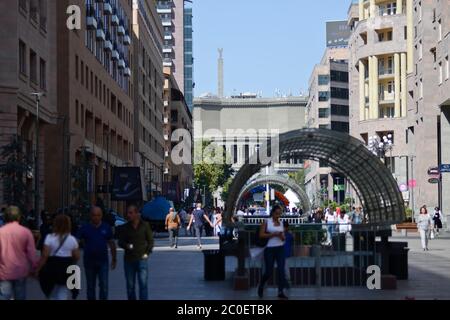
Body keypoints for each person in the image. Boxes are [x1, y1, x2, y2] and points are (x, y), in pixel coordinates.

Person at [37, 214, 80, 300]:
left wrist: (38, 269)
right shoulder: (72, 239)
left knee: (51, 292)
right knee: (62, 291)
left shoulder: (49, 238)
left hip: (52, 268)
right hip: (66, 268)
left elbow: (45, 255)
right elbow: (77, 256)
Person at [77, 206, 117, 300]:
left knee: (104, 286)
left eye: (98, 215)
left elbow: (111, 243)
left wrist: (114, 258)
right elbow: (76, 242)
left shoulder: (106, 227)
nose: (96, 217)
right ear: (90, 216)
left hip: (103, 261)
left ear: (101, 216)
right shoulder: (85, 228)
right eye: (94, 215)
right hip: (89, 262)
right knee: (90, 287)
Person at [0, 206, 39, 300]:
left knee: (3, 296)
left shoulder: (1, 232)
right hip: (20, 271)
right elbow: (31, 254)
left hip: (3, 271)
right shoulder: (25, 232)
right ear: (19, 217)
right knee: (20, 296)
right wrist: (35, 268)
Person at [117, 205, 154, 300]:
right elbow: (120, 242)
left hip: (142, 260)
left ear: (136, 214)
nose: (128, 215)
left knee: (143, 285)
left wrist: (147, 253)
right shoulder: (125, 227)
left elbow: (150, 241)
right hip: (129, 260)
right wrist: (127, 246)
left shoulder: (145, 225)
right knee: (130, 286)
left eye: (131, 213)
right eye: (127, 213)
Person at [257, 205, 288, 300]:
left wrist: (282, 236)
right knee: (268, 271)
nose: (278, 215)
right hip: (269, 249)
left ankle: (280, 291)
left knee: (281, 270)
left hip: (280, 248)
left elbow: (283, 236)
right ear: (272, 213)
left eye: (280, 214)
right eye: (276, 213)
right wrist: (273, 234)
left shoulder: (282, 223)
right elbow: (261, 235)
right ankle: (261, 284)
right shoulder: (267, 222)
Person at [283, 221, 293, 289]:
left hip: (284, 253)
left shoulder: (287, 235)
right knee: (285, 268)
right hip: (284, 253)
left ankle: (287, 282)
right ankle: (287, 282)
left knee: (285, 268)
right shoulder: (289, 235)